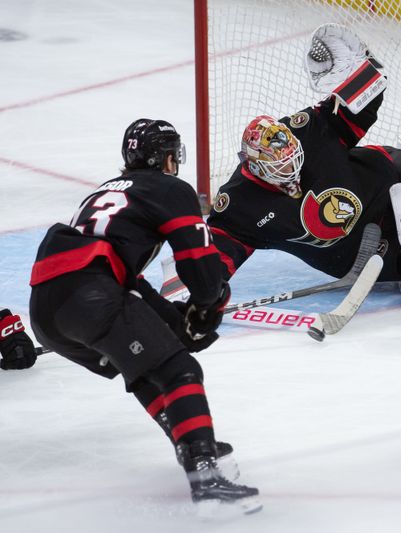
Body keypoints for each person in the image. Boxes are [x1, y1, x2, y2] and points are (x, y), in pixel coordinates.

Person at [28, 118, 261, 514]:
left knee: (145, 366)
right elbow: (196, 258)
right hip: (90, 293)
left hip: (47, 308)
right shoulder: (169, 188)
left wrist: (173, 321)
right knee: (179, 371)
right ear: (166, 158)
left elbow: (124, 277)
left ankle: (191, 446)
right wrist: (207, 303)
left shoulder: (103, 191)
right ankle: (204, 476)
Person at [183, 23, 401, 301]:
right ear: (257, 167)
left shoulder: (307, 129)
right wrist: (205, 292)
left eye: (292, 158)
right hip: (362, 252)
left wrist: (365, 68)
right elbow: (215, 257)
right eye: (280, 167)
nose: (291, 169)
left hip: (388, 181)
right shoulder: (238, 205)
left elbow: (361, 107)